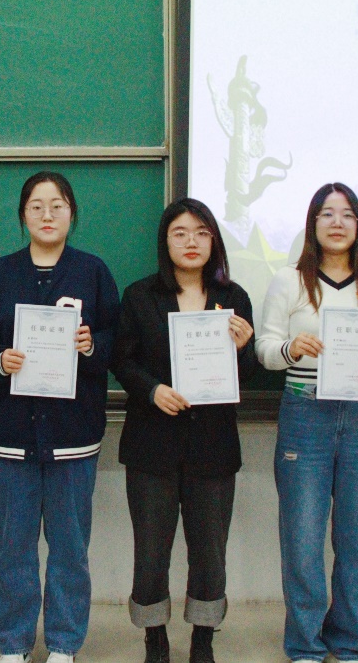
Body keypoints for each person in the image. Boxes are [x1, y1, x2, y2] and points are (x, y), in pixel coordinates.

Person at [255, 182, 358, 663]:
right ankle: (305, 643)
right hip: (306, 412)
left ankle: (347, 642)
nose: (337, 222)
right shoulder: (289, 280)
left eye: (347, 214)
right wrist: (291, 349)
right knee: (302, 539)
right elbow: (265, 349)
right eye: (327, 213)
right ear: (313, 224)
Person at [0, 171, 120, 663]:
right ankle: (13, 644)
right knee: (13, 548)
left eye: (57, 205)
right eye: (36, 206)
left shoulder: (93, 272)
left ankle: (64, 644)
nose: (47, 214)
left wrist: (91, 344)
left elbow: (118, 342)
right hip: (11, 434)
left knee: (70, 548)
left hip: (74, 435)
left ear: (72, 213)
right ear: (23, 215)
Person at [111, 198, 257, 663]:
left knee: (210, 552)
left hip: (213, 444)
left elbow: (246, 378)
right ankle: (154, 637)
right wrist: (152, 390)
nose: (191, 241)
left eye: (201, 232)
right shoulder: (139, 296)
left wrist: (244, 348)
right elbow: (121, 361)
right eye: (180, 233)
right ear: (165, 241)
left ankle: (203, 638)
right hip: (152, 444)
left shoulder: (234, 298)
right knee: (151, 552)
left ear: (213, 241)